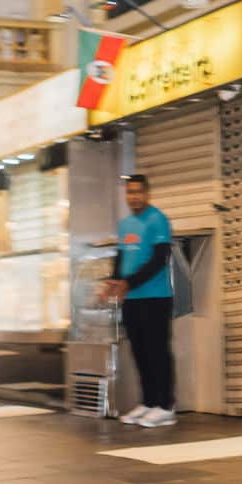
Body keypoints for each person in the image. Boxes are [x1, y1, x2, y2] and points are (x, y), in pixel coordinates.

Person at [101, 174, 177, 428]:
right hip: (131, 299)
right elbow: (121, 258)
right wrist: (113, 282)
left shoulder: (158, 220)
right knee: (140, 353)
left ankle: (165, 407)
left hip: (155, 298)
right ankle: (148, 403)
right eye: (129, 192)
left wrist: (129, 282)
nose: (133, 197)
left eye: (138, 192)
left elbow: (160, 259)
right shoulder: (125, 224)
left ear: (147, 193)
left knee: (158, 352)